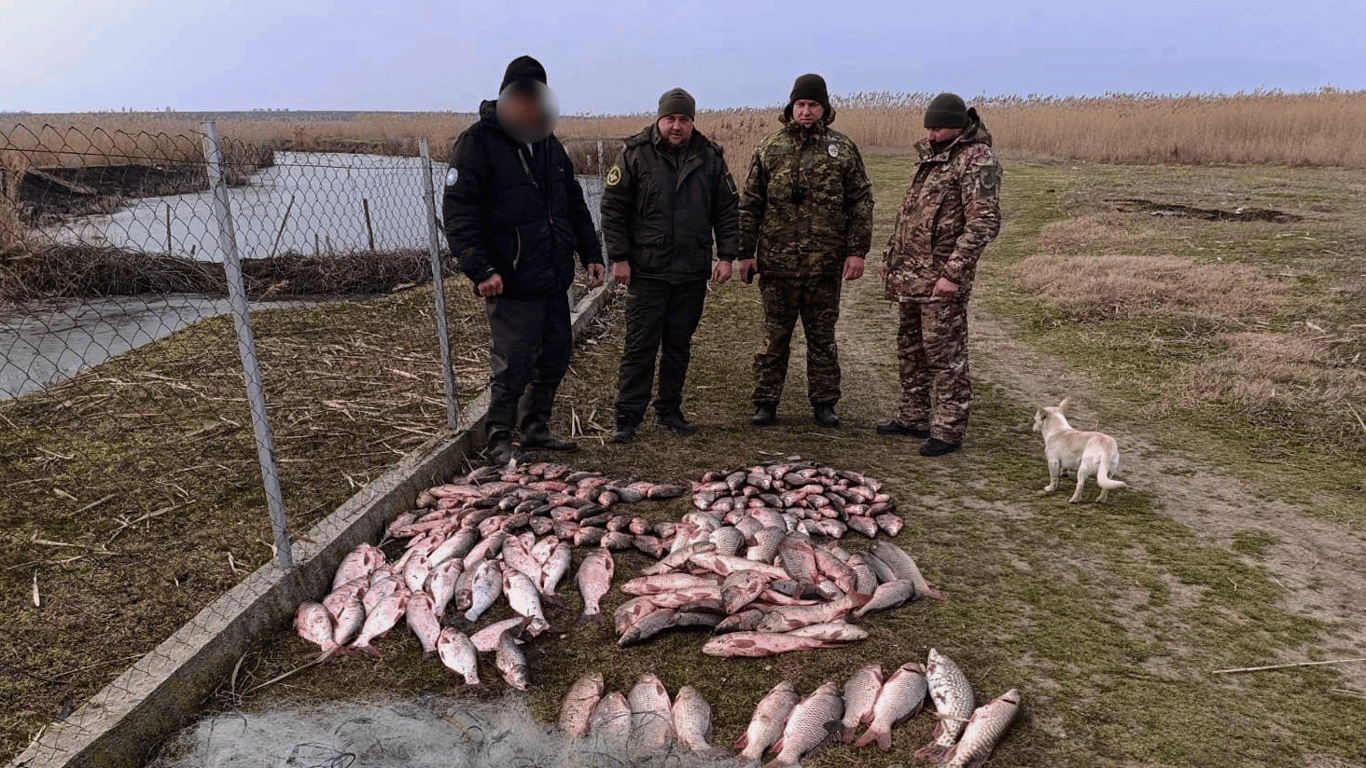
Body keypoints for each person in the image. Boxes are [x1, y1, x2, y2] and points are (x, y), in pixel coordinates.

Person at [442, 55, 605, 465]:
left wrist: (591, 254)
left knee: (555, 354)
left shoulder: (549, 145)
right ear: (506, 97)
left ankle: (534, 427)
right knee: (512, 362)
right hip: (509, 277)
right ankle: (498, 437)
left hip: (551, 274)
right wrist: (480, 268)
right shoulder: (477, 142)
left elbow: (573, 204)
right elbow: (459, 212)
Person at [600, 87, 740, 443]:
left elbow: (726, 210)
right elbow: (613, 210)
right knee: (640, 345)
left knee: (679, 344)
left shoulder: (711, 157)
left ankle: (670, 409)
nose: (676, 126)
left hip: (691, 270)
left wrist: (726, 256)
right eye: (670, 119)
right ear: (659, 119)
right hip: (647, 269)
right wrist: (619, 257)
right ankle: (628, 416)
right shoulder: (635, 155)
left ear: (692, 122)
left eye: (684, 120)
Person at [737, 73, 874, 429]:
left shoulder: (843, 149)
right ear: (791, 106)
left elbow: (861, 201)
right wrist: (746, 252)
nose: (807, 111)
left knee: (822, 339)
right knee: (774, 337)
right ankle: (766, 401)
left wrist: (856, 251)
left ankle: (825, 403)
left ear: (825, 108)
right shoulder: (770, 148)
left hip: (824, 265)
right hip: (777, 263)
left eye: (814, 105)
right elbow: (751, 204)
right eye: (801, 104)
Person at [880, 92, 1001, 456]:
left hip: (941, 280)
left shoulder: (977, 160)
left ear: (960, 126)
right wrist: (891, 256)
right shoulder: (932, 158)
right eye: (928, 128)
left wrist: (953, 273)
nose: (931, 135)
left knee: (945, 356)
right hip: (911, 277)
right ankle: (913, 417)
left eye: (938, 128)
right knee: (911, 349)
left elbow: (983, 222)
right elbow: (910, 215)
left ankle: (948, 429)